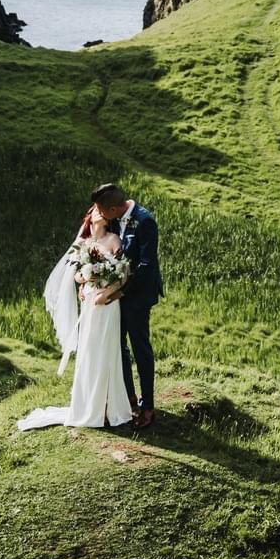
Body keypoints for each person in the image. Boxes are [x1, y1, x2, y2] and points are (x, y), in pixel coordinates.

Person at [15, 202, 134, 431]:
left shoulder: (113, 240)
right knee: (89, 350)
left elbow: (123, 273)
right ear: (90, 215)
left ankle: (110, 407)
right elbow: (76, 275)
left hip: (108, 303)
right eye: (97, 210)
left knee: (107, 350)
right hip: (89, 301)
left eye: (103, 210)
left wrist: (107, 292)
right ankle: (89, 404)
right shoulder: (83, 243)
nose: (101, 212)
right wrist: (86, 277)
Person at [89, 183, 162, 429]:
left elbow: (146, 266)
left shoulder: (145, 221)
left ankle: (148, 406)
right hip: (114, 294)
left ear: (112, 208)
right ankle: (129, 398)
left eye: (101, 209)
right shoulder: (112, 219)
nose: (97, 213)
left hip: (138, 295)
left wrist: (120, 291)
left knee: (139, 346)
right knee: (118, 346)